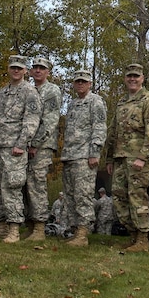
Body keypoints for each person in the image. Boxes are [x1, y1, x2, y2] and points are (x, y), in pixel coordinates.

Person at [105, 62, 149, 252]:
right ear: (125, 79)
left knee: (137, 197)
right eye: (129, 76)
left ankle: (143, 238)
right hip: (120, 158)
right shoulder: (122, 102)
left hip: (138, 159)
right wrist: (110, 158)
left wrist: (143, 157)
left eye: (136, 76)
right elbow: (113, 131)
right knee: (119, 198)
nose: (132, 79)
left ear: (142, 79)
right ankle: (133, 235)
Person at [0, 56, 41, 243]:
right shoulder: (2, 92)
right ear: (9, 69)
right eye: (13, 68)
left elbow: (31, 120)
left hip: (14, 148)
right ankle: (1, 226)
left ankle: (14, 229)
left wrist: (21, 143)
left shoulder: (29, 92)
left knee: (12, 187)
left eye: (19, 68)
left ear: (25, 71)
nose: (16, 71)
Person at [60, 69, 107, 248]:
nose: (80, 84)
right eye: (77, 81)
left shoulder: (95, 102)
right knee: (70, 195)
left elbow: (100, 128)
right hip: (69, 156)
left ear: (90, 84)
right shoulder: (72, 104)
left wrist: (95, 152)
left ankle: (83, 233)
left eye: (83, 81)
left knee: (83, 195)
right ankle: (75, 229)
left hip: (84, 157)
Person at [24, 56, 62, 242]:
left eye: (42, 68)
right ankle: (29, 225)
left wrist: (36, 143)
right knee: (23, 184)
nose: (37, 70)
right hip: (24, 145)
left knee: (36, 184)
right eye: (35, 67)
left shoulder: (52, 91)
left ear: (48, 71)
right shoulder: (28, 90)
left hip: (42, 146)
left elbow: (51, 121)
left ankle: (39, 227)